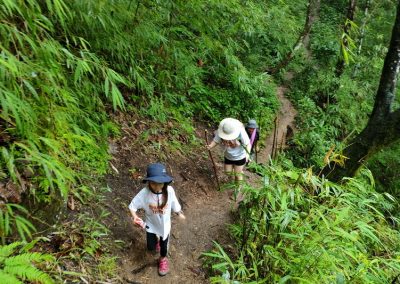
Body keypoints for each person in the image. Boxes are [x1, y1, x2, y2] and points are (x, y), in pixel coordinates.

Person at [129, 163, 185, 277]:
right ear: (149, 181)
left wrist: (179, 213)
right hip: (151, 224)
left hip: (165, 226)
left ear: (165, 182)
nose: (156, 186)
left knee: (163, 248)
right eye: (153, 183)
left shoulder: (169, 191)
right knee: (151, 247)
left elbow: (174, 203)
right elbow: (132, 206)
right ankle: (156, 239)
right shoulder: (144, 193)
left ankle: (163, 259)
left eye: (160, 183)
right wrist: (134, 217)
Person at [206, 118, 251, 185]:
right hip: (228, 156)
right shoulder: (222, 130)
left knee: (237, 174)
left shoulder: (241, 133)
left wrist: (247, 155)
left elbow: (248, 144)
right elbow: (216, 140)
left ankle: (237, 188)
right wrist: (210, 146)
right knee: (228, 172)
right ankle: (239, 171)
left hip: (240, 157)